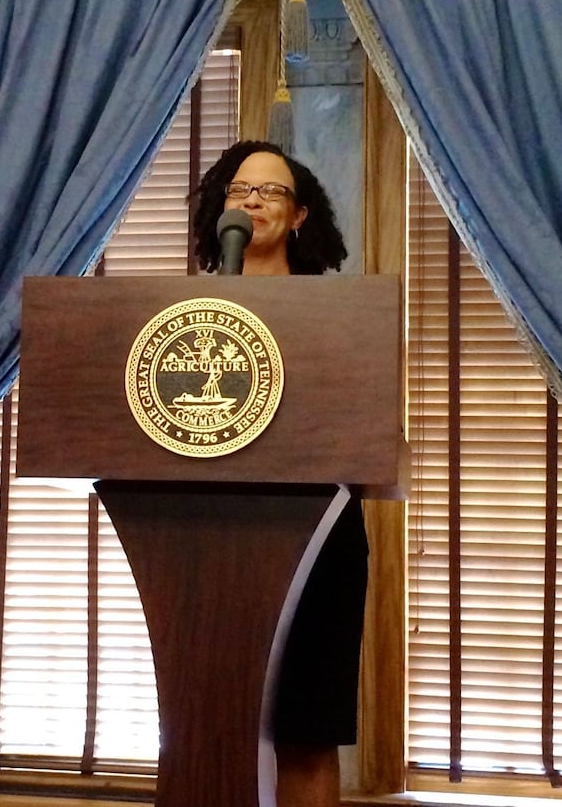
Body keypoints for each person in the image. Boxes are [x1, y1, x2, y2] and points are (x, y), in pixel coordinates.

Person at [191, 140, 364, 807]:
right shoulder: (183, 314)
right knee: (207, 728)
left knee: (306, 731)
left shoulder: (337, 313)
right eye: (239, 191)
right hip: (203, 539)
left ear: (299, 216)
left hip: (317, 537)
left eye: (271, 192)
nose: (253, 201)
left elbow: (363, 423)